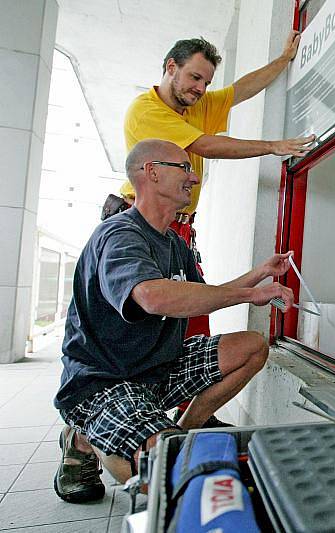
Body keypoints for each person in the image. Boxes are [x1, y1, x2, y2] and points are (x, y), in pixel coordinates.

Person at [53, 139, 296, 503]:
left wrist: (258, 274)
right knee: (160, 470)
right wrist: (247, 295)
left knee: (251, 346)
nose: (193, 178)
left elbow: (200, 298)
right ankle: (85, 436)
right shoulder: (120, 235)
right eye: (184, 167)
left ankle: (178, 431)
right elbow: (152, 297)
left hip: (157, 370)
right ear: (151, 172)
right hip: (103, 382)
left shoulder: (174, 244)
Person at [121, 34, 314, 425]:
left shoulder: (199, 103)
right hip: (140, 223)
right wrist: (273, 146)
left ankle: (191, 422)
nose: (201, 89)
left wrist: (284, 59)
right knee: (123, 336)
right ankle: (80, 443)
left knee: (194, 324)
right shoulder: (146, 110)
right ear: (170, 67)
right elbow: (207, 146)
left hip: (178, 231)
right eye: (195, 78)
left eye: (206, 82)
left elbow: (241, 89)